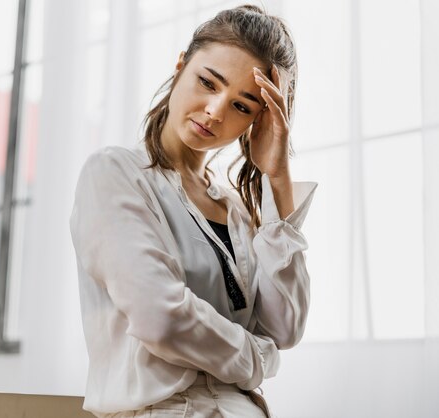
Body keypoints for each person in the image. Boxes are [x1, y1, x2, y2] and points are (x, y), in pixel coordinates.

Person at [70, 5, 317, 418]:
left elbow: (285, 328)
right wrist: (260, 358)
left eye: (242, 106)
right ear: (181, 66)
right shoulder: (116, 173)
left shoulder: (237, 211)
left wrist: (277, 178)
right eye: (208, 82)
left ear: (258, 121)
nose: (216, 111)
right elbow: (160, 319)